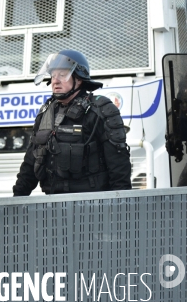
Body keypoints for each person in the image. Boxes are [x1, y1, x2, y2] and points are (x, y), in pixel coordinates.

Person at [13, 49, 132, 196]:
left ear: (79, 78)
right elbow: (30, 163)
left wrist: (120, 206)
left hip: (94, 205)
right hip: (52, 204)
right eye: (53, 75)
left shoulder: (101, 110)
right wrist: (16, 200)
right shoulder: (46, 112)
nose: (55, 81)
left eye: (62, 75)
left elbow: (119, 166)